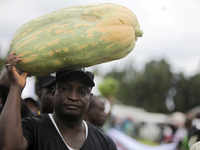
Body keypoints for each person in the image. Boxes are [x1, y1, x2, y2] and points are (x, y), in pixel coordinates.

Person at [0, 52, 117, 150]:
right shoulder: (33, 127)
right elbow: (10, 146)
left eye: (82, 92)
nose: (73, 97)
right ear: (53, 92)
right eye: (66, 89)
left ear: (90, 98)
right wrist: (16, 87)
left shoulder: (106, 144)